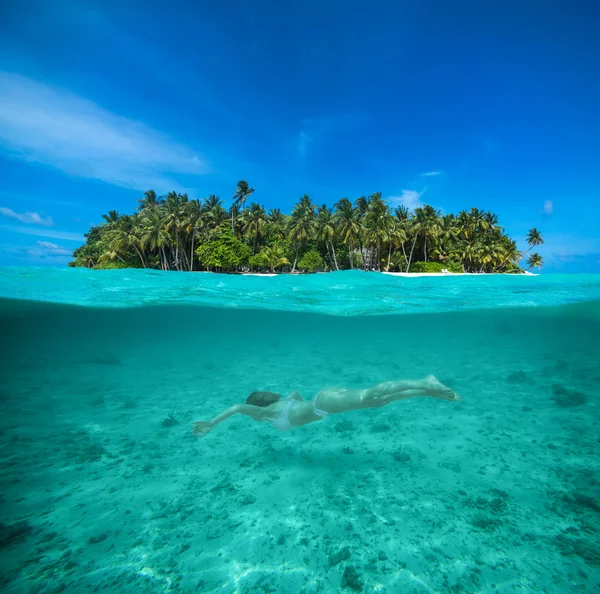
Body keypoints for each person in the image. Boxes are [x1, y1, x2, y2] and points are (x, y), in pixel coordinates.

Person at [192, 375, 460, 437]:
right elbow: (295, 392)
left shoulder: (264, 412)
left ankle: (425, 381)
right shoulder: (283, 402)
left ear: (258, 405)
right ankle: (429, 392)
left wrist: (212, 423)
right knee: (379, 400)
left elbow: (238, 407)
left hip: (325, 402)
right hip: (324, 400)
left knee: (373, 393)